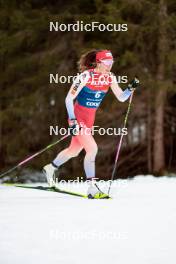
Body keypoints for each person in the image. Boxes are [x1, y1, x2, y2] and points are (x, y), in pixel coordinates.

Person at [43, 49, 139, 199]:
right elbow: (68, 99)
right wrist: (73, 122)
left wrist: (129, 89)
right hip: (77, 118)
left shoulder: (110, 78)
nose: (109, 66)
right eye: (106, 63)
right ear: (98, 63)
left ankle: (50, 168)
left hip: (89, 121)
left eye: (111, 62)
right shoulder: (85, 76)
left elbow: (121, 97)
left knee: (74, 151)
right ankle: (92, 188)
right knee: (92, 148)